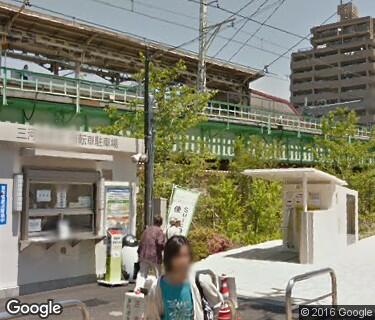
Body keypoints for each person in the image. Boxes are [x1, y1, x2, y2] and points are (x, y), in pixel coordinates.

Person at [145, 236, 223, 320]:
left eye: (185, 255)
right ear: (169, 258)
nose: (182, 261)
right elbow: (153, 316)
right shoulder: (157, 286)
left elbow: (218, 307)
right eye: (178, 256)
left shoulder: (200, 281)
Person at [135, 216, 165, 291]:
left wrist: (139, 252)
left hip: (143, 254)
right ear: (161, 223)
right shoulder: (159, 231)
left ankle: (138, 288)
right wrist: (165, 247)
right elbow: (160, 242)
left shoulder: (146, 230)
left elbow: (141, 241)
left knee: (142, 273)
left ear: (154, 221)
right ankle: (158, 290)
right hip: (154, 256)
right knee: (158, 274)